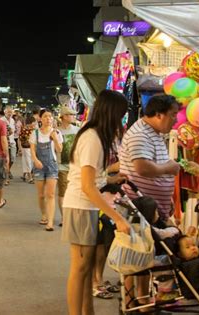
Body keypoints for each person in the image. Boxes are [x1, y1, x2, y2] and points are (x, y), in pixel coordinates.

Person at [62, 90, 131, 315]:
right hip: (81, 206)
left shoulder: (95, 136)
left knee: (86, 267)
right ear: (112, 113)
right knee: (80, 268)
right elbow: (87, 186)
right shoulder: (92, 139)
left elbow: (93, 179)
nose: (121, 120)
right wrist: (117, 218)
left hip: (86, 205)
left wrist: (111, 179)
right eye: (121, 115)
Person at [120, 94, 181, 221]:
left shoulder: (153, 133)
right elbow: (143, 168)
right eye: (173, 115)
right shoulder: (140, 134)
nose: (176, 120)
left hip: (150, 212)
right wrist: (168, 168)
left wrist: (166, 198)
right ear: (159, 115)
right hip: (141, 213)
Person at [30, 109, 63, 231]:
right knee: (40, 195)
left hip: (51, 166)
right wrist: (35, 160)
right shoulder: (35, 133)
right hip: (39, 166)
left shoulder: (57, 133)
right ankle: (43, 214)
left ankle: (50, 222)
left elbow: (59, 150)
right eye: (45, 116)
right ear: (40, 118)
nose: (48, 119)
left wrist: (54, 138)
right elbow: (32, 150)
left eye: (50, 116)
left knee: (50, 194)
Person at [57, 106, 80, 226]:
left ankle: (73, 217)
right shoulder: (56, 131)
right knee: (62, 192)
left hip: (75, 165)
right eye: (70, 115)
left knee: (75, 192)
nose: (73, 117)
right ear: (64, 117)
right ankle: (64, 217)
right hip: (61, 165)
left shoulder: (77, 130)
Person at [19, 115, 36, 183]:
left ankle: (24, 175)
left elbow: (20, 139)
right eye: (34, 122)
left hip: (28, 147)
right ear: (31, 122)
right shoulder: (27, 129)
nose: (35, 124)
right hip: (27, 147)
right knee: (29, 161)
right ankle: (30, 177)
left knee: (26, 160)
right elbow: (20, 139)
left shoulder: (30, 129)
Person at [1, 106, 17, 180]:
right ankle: (6, 173)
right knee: (6, 159)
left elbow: (13, 131)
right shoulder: (1, 120)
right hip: (4, 142)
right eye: (8, 112)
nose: (10, 113)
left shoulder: (13, 120)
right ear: (5, 112)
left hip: (12, 141)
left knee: (13, 158)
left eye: (11, 112)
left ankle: (8, 170)